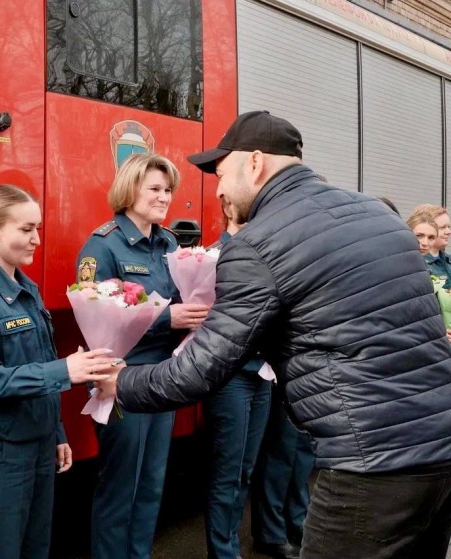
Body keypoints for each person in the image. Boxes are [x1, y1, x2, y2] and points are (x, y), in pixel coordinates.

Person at [107, 110, 451, 559]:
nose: (220, 189)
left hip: (368, 467)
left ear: (254, 163)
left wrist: (120, 382)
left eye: (222, 173)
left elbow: (199, 371)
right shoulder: (378, 215)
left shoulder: (257, 243)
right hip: (441, 451)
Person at [0, 184, 118, 559]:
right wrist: (64, 370)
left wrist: (56, 433)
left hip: (38, 444)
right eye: (25, 229)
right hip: (0, 452)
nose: (37, 239)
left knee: (37, 548)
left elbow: (39, 360)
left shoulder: (27, 289)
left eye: (37, 228)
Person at [75, 153, 208, 559]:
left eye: (168, 190)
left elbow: (183, 294)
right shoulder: (102, 245)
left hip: (164, 377)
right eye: (155, 189)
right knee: (120, 486)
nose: (164, 197)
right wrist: (169, 317)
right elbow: (95, 313)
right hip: (123, 379)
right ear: (130, 189)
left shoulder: (169, 243)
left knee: (151, 483)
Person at [205, 200, 272, 559]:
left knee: (246, 469)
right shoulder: (213, 256)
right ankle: (223, 552)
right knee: (228, 470)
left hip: (263, 374)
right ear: (229, 207)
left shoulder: (264, 253)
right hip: (230, 376)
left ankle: (229, 547)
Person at [250, 397, 314, 559]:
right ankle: (270, 533)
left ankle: (297, 522)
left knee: (302, 450)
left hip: (309, 377)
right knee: (281, 449)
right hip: (281, 379)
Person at [410, 204, 451, 288]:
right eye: (442, 227)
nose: (448, 231)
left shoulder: (448, 259)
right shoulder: (415, 264)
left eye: (449, 227)